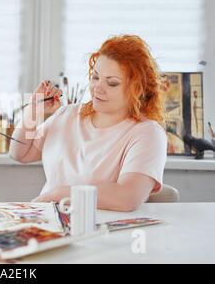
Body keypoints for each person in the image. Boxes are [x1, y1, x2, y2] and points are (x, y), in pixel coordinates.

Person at [9, 35, 167, 212]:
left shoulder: (147, 134)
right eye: (95, 77)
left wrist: (59, 194)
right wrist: (34, 108)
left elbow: (127, 197)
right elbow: (20, 153)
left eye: (112, 83)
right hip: (51, 223)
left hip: (103, 230)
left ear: (137, 89)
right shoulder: (68, 114)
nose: (98, 87)